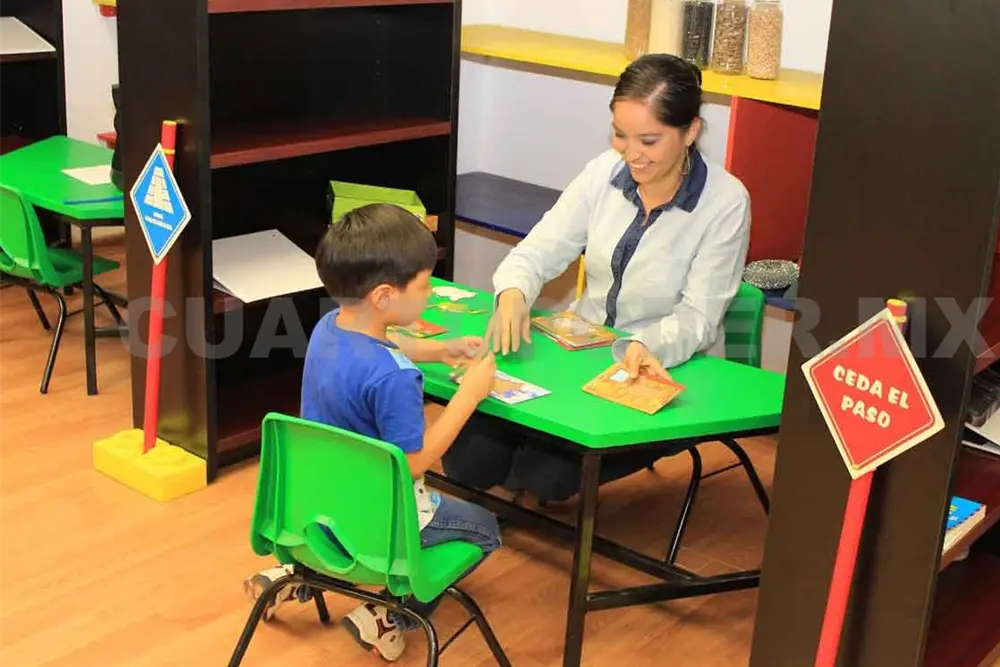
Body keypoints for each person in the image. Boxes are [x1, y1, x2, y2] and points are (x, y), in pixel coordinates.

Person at [441, 53, 751, 502]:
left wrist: (644, 345)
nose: (631, 154)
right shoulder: (604, 172)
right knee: (467, 462)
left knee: (549, 477)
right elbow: (539, 249)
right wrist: (513, 292)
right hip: (580, 353)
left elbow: (698, 319)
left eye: (649, 140)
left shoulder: (726, 201)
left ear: (691, 132)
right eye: (621, 135)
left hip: (660, 363)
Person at [242, 204, 500, 662]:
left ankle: (295, 571)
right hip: (381, 519)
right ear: (384, 295)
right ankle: (387, 617)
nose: (430, 293)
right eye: (424, 285)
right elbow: (414, 465)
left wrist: (441, 349)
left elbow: (384, 343)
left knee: (346, 511)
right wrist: (469, 397)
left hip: (317, 502)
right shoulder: (396, 379)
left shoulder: (328, 327)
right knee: (485, 529)